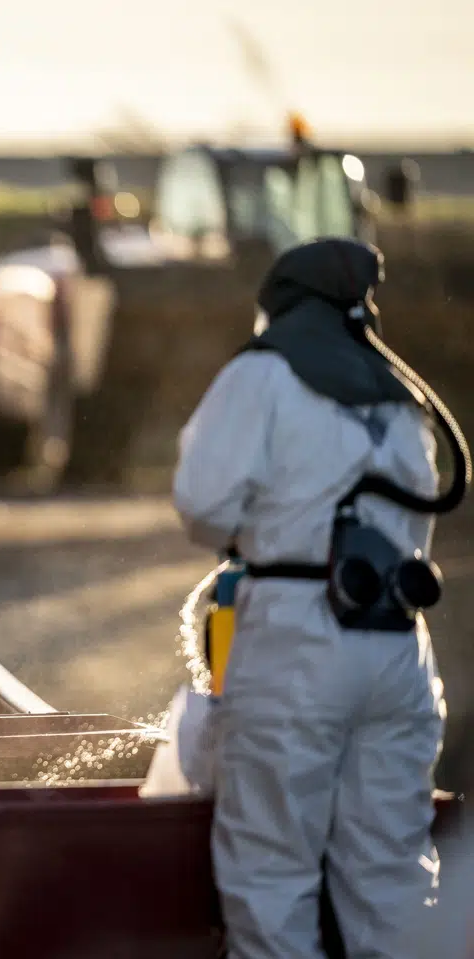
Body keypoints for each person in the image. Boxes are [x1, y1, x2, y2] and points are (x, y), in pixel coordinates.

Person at [171, 237, 465, 959]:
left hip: (302, 636)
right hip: (398, 650)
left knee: (270, 871)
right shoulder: (402, 398)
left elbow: (202, 504)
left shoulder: (262, 375)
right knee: (390, 875)